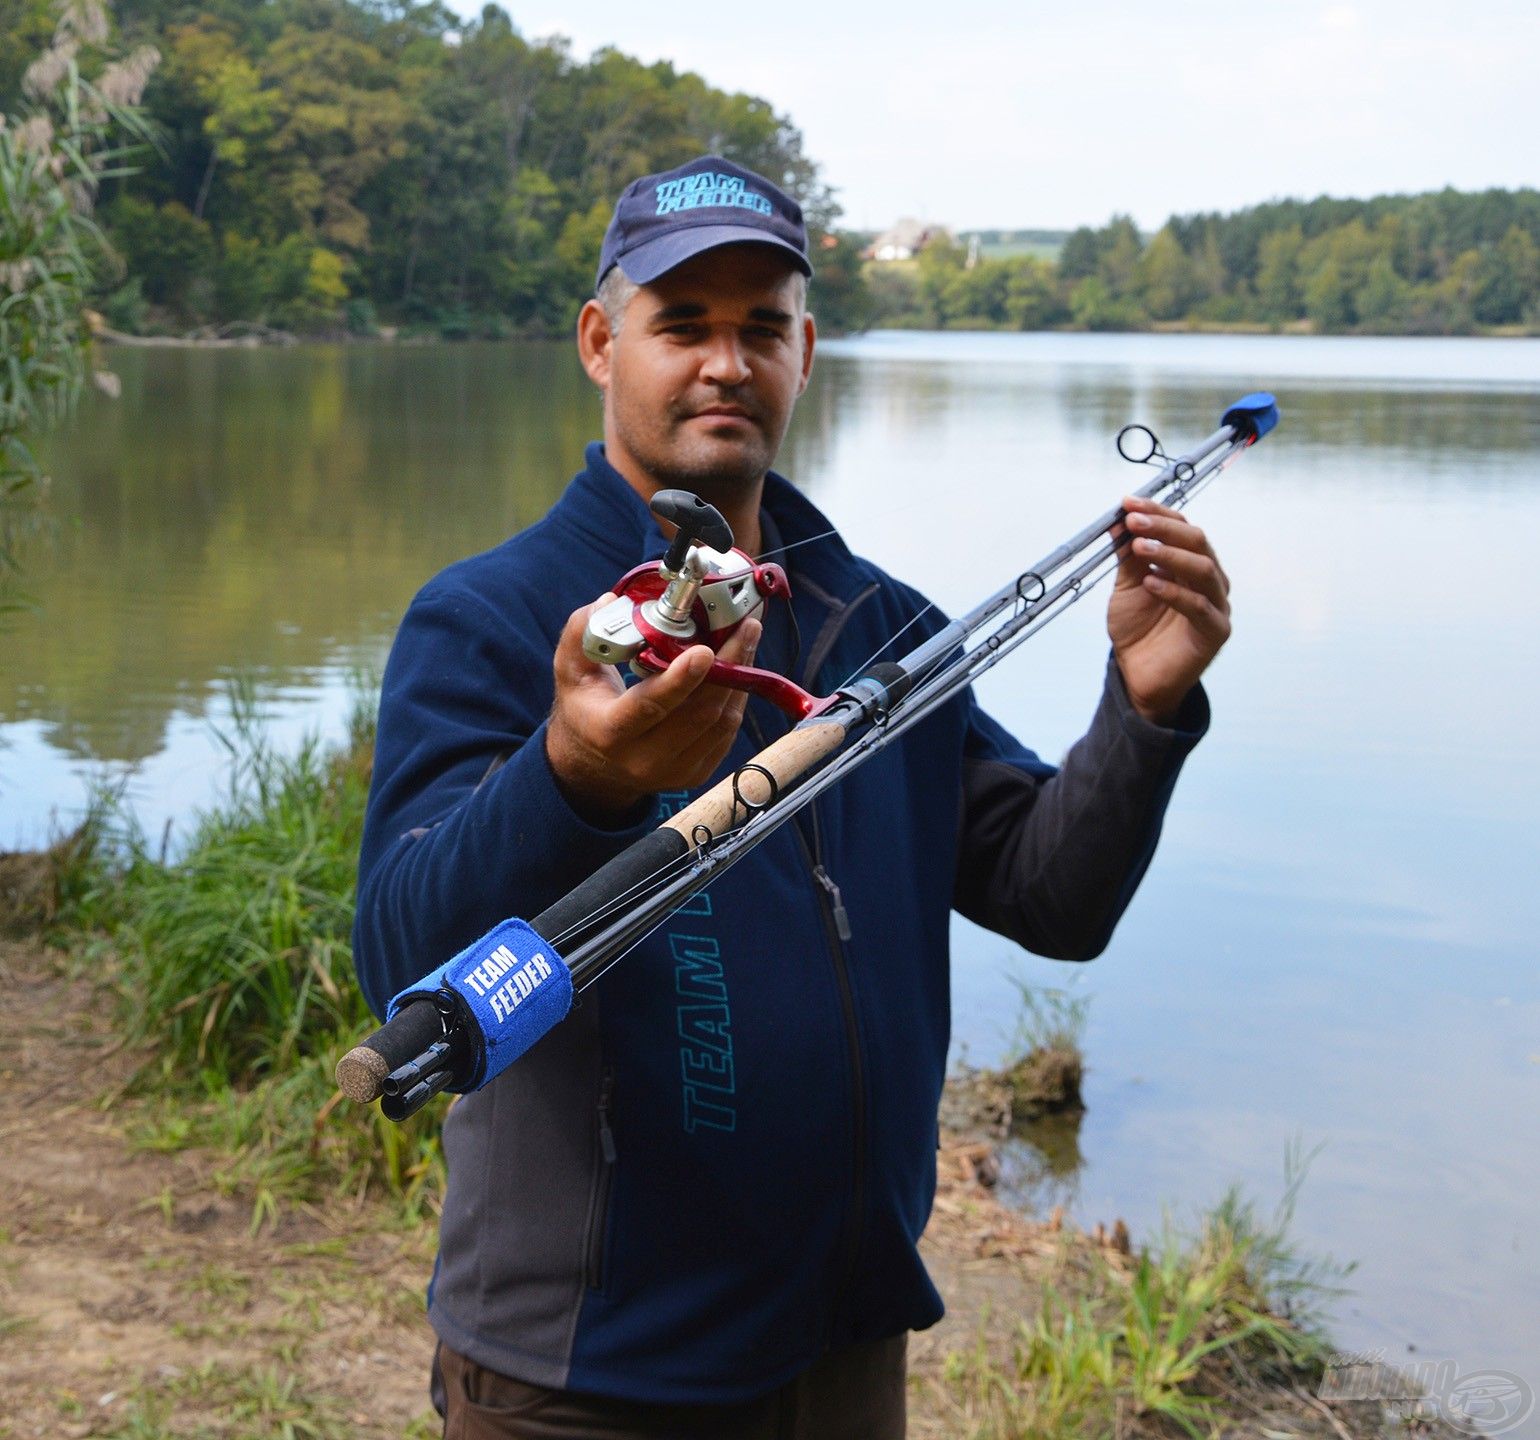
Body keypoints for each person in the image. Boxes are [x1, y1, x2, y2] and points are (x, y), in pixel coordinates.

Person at [352, 155, 1231, 1439]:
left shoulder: (879, 626)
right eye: (683, 325)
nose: (725, 362)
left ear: (806, 352)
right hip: (590, 1375)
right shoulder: (488, 618)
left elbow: (1053, 895)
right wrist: (576, 777)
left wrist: (1143, 706)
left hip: (842, 1345)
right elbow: (400, 955)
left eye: (761, 326)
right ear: (601, 342)